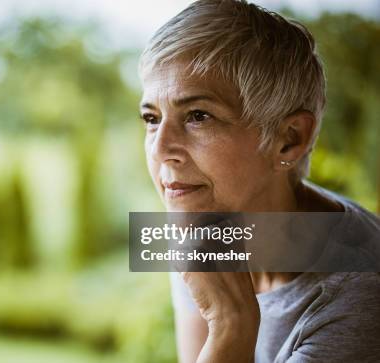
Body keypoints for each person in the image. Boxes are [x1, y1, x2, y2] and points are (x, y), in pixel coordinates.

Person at [137, 0, 380, 362]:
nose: (160, 148)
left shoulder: (359, 303)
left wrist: (231, 325)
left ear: (289, 139)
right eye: (152, 117)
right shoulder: (206, 222)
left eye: (198, 115)